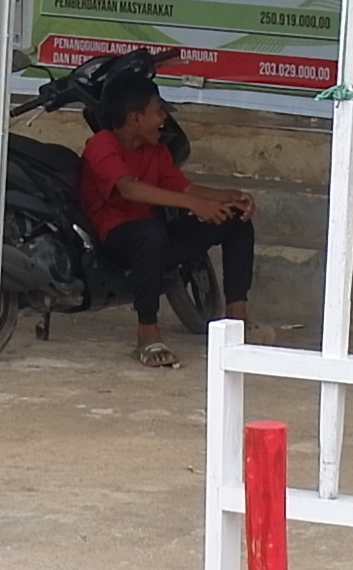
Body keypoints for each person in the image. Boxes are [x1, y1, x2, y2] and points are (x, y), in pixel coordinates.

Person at [78, 70, 253, 370]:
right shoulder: (101, 145)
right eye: (157, 112)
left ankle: (238, 322)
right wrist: (194, 204)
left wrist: (229, 197)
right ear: (134, 118)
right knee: (150, 233)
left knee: (236, 220)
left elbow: (186, 188)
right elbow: (128, 188)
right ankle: (147, 334)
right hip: (112, 240)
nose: (163, 119)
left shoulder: (155, 151)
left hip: (153, 238)